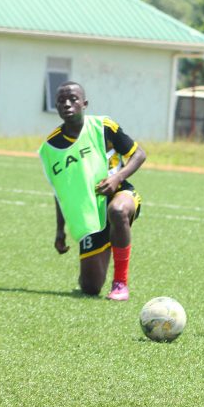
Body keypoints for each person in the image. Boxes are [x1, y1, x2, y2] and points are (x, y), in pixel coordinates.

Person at [38, 81, 146, 300]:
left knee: (117, 211)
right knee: (90, 288)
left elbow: (139, 154)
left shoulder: (103, 126)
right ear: (56, 107)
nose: (67, 104)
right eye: (61, 101)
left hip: (121, 195)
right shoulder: (51, 146)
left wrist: (117, 177)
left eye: (73, 99)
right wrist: (60, 230)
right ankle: (98, 257)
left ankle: (120, 283)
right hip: (90, 215)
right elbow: (61, 192)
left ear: (84, 103)